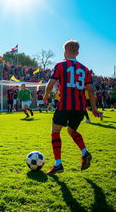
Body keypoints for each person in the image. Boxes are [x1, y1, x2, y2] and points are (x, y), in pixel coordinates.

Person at [44, 40, 102, 175]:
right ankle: (85, 152)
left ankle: (58, 164)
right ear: (77, 53)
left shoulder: (60, 65)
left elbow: (50, 83)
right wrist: (94, 108)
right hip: (80, 107)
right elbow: (91, 90)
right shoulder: (85, 69)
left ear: (65, 52)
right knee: (71, 131)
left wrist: (46, 96)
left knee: (55, 131)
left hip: (65, 105)